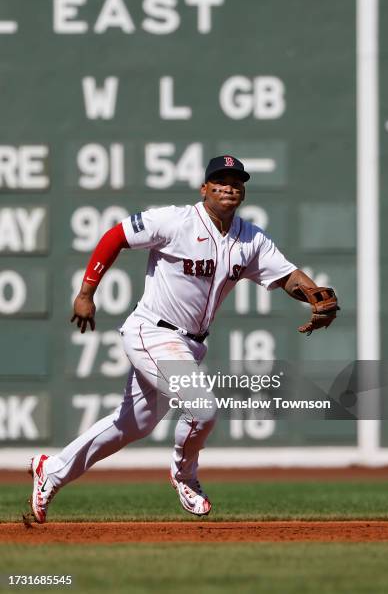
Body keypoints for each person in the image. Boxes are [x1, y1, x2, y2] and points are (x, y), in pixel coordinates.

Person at [27, 155, 339, 523]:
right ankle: (184, 475)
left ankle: (52, 470)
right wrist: (86, 292)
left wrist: (312, 294)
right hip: (152, 331)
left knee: (133, 424)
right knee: (203, 408)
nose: (228, 186)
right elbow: (116, 236)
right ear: (204, 188)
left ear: (243, 192)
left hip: (189, 343)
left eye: (236, 181)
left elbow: (287, 276)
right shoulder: (175, 221)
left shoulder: (250, 239)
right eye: (220, 180)